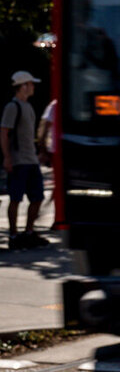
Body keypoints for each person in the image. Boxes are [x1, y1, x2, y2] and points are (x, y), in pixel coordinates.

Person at [1, 72, 48, 250]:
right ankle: (14, 235)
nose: (33, 87)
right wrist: (7, 157)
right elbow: (4, 132)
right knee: (15, 198)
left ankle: (29, 232)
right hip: (18, 160)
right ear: (22, 86)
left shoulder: (28, 106)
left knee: (37, 197)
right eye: (30, 84)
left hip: (31, 159)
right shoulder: (12, 107)